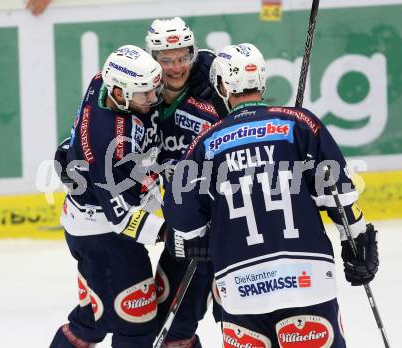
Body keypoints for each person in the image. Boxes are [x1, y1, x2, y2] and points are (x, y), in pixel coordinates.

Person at [162, 43, 379, 347]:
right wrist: (357, 242)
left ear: (222, 85)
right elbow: (340, 197)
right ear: (261, 81)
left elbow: (182, 220)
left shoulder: (205, 143)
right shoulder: (300, 123)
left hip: (241, 291)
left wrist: (196, 240)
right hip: (309, 281)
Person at [50, 45, 166, 348]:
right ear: (119, 92)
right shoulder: (110, 149)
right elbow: (121, 217)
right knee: (137, 324)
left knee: (91, 321)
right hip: (105, 238)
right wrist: (168, 232)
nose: (153, 99)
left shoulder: (100, 82)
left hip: (84, 223)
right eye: (144, 94)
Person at [145, 16, 226, 348]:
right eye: (166, 60)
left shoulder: (215, 86)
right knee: (170, 328)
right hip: (182, 225)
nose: (176, 67)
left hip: (227, 220)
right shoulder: (141, 95)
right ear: (153, 61)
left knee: (240, 319)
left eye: (182, 57)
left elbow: (253, 116)